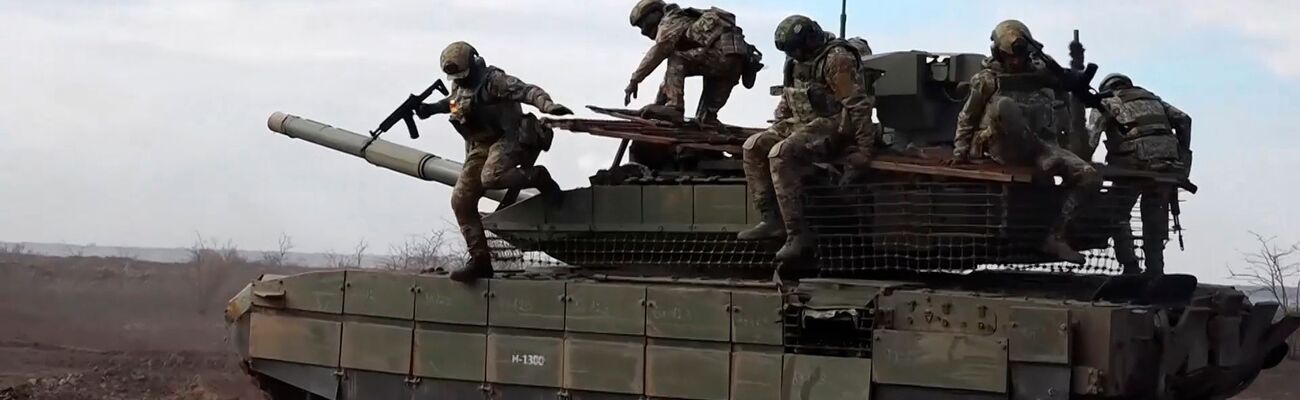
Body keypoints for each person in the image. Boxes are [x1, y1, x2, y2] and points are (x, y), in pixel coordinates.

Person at [947, 20, 1102, 264]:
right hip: (1001, 144)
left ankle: (1056, 236)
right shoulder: (987, 79)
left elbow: (1066, 92)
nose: (1016, 62)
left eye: (1020, 57)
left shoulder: (1043, 71)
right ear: (998, 53)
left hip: (1045, 144)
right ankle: (1042, 156)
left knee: (1090, 177)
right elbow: (967, 116)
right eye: (1010, 57)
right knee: (1005, 106)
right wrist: (960, 153)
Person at [416, 41, 573, 282]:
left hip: (508, 138)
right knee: (461, 201)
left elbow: (527, 91)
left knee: (491, 176)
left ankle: (538, 176)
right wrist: (430, 109)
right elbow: (453, 103)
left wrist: (548, 105)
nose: (460, 80)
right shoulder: (460, 85)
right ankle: (480, 261)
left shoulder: (494, 81)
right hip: (481, 145)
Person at [736, 15, 875, 262]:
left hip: (832, 123)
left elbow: (857, 105)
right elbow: (788, 97)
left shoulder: (836, 59)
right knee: (753, 146)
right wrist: (778, 123)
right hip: (801, 122)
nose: (796, 54)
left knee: (781, 154)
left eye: (798, 48)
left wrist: (864, 149)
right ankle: (771, 219)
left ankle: (798, 235)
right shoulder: (794, 61)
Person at [1089, 73, 1192, 275]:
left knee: (1117, 214)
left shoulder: (1105, 101)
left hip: (1132, 166)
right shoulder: (1152, 98)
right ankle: (1155, 270)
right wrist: (1182, 157)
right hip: (1167, 168)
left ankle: (1130, 266)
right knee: (1154, 217)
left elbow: (1091, 136)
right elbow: (1184, 120)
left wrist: (1081, 164)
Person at [624, 0, 762, 124]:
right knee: (705, 120)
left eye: (643, 23)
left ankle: (675, 107)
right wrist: (658, 105)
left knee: (676, 58)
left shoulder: (671, 21)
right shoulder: (689, 20)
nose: (643, 31)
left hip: (718, 58)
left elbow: (659, 51)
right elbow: (671, 78)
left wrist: (635, 80)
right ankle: (708, 119)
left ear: (654, 14)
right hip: (733, 65)